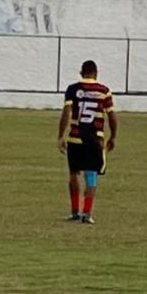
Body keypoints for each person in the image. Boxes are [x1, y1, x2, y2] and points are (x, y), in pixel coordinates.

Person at [57, 60, 117, 224]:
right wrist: (113, 137)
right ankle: (86, 214)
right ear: (96, 72)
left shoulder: (73, 89)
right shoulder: (104, 91)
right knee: (91, 176)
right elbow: (112, 116)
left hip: (75, 138)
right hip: (94, 140)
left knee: (73, 174)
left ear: (81, 72)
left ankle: (75, 212)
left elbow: (66, 113)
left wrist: (60, 136)